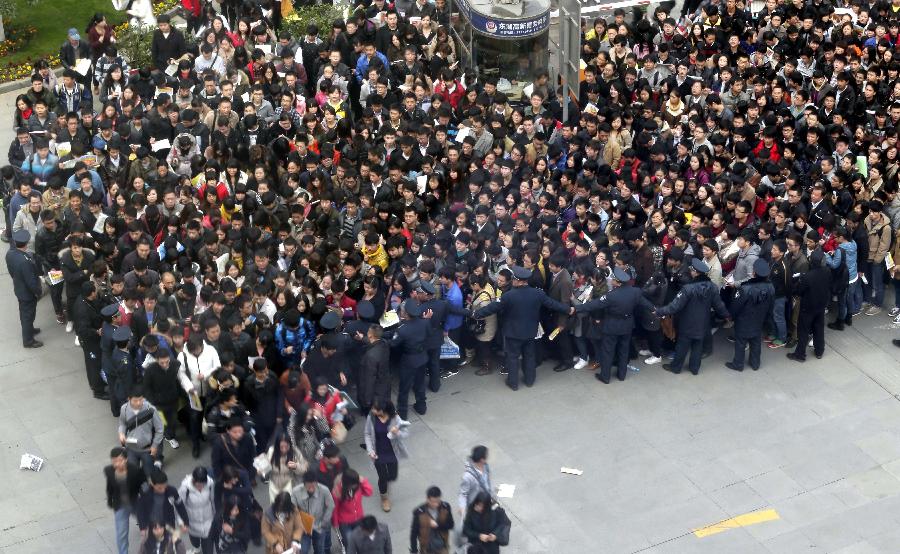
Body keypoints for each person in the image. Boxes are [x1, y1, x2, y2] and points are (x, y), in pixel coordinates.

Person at [472, 266, 570, 390]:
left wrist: (477, 314)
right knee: (529, 356)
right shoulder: (538, 294)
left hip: (513, 333)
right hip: (530, 332)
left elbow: (492, 308)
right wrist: (568, 309)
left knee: (512, 358)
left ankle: (513, 383)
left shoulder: (508, 296)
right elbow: (553, 304)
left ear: (518, 280)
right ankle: (529, 380)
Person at [573, 266, 653, 383]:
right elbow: (646, 303)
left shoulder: (611, 295)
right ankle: (622, 375)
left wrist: (576, 308)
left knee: (608, 352)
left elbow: (594, 304)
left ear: (618, 282)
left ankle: (605, 377)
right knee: (623, 351)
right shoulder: (635, 291)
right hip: (627, 326)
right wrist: (655, 310)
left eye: (613, 279)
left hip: (612, 326)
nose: (611, 280)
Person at [657, 259, 730, 375]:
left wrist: (659, 312)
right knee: (698, 345)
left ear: (695, 272)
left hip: (687, 323)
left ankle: (676, 367)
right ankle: (694, 368)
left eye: (692, 270)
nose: (690, 271)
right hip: (703, 323)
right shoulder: (712, 287)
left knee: (682, 345)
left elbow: (674, 307)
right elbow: (719, 305)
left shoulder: (688, 288)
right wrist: (727, 315)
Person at [727, 258, 775, 371]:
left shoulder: (744, 289)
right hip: (759, 319)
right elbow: (771, 306)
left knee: (740, 342)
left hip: (743, 320)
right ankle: (755, 363)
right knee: (756, 341)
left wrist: (731, 317)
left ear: (754, 273)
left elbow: (735, 306)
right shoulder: (771, 287)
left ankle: (738, 364)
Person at [363, 399, 410, 512]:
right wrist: (370, 450)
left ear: (383, 411)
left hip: (392, 452)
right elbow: (367, 434)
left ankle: (384, 484)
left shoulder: (395, 418)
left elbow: (405, 433)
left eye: (375, 409)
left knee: (393, 476)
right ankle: (384, 498)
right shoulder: (372, 417)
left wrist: (397, 432)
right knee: (383, 477)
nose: (372, 410)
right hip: (378, 453)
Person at [787, 250, 833, 362]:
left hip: (807, 307)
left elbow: (799, 291)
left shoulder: (807, 276)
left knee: (803, 331)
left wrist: (797, 283)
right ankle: (819, 351)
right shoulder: (827, 271)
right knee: (819, 328)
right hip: (821, 305)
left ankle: (800, 354)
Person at [387, 298, 429, 419]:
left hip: (409, 361)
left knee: (404, 388)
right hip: (422, 357)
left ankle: (402, 413)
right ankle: (421, 407)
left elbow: (393, 344)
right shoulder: (424, 322)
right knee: (420, 384)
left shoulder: (403, 330)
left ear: (406, 314)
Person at [6, 229, 43, 348]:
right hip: (27, 294)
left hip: (19, 289)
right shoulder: (25, 261)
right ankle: (28, 340)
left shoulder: (10, 254)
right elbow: (31, 282)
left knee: (25, 314)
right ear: (27, 243)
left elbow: (11, 272)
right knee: (28, 315)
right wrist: (38, 292)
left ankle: (30, 329)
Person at [104, 446, 144, 554]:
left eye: (120, 460)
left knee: (147, 524)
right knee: (121, 533)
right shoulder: (109, 471)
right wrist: (109, 499)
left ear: (126, 459)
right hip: (120, 505)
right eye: (114, 461)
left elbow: (143, 485)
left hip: (135, 501)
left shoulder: (135, 470)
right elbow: (110, 486)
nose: (117, 464)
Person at [117, 384, 164, 476]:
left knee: (148, 475)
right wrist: (121, 433)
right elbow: (122, 423)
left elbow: (160, 429)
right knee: (133, 473)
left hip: (147, 449)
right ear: (129, 399)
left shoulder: (150, 409)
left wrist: (154, 446)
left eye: (141, 399)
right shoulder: (124, 409)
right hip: (130, 447)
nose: (139, 403)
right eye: (135, 400)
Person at [135, 469, 190, 538]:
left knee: (170, 544)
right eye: (159, 488)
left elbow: (180, 506)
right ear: (152, 484)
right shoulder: (144, 493)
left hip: (169, 524)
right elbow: (140, 510)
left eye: (165, 486)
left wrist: (186, 522)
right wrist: (142, 527)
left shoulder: (172, 491)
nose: (163, 490)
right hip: (152, 526)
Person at [292, 470, 335, 554]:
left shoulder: (324, 490)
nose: (311, 489)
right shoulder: (296, 491)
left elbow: (330, 506)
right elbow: (292, 508)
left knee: (319, 550)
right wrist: (298, 523)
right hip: (303, 526)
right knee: (303, 550)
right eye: (309, 486)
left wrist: (323, 523)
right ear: (304, 484)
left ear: (316, 483)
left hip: (319, 525)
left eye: (314, 486)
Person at [178, 466, 217, 554]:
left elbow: (213, 499)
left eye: (203, 484)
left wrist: (216, 515)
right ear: (193, 481)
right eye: (198, 485)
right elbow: (179, 506)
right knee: (195, 542)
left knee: (208, 549)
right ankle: (196, 548)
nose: (201, 487)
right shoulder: (185, 489)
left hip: (208, 521)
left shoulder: (210, 484)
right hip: (192, 523)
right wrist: (181, 522)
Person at [331, 467, 373, 547]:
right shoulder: (337, 492)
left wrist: (363, 481)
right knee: (349, 542)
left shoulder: (358, 486)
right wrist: (335, 523)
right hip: (345, 522)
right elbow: (335, 509)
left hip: (359, 518)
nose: (355, 486)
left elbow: (369, 492)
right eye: (353, 484)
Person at [410, 486, 454, 554]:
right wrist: (414, 550)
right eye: (433, 502)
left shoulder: (445, 507)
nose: (436, 504)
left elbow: (451, 525)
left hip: (442, 547)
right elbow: (414, 533)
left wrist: (437, 525)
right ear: (427, 499)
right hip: (426, 549)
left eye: (438, 501)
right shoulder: (419, 512)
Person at [266, 428, 307, 503]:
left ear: (290, 445)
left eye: (286, 447)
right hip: (274, 483)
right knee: (274, 505)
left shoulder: (295, 451)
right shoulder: (271, 451)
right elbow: (265, 467)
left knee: (289, 505)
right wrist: (261, 469)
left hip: (289, 482)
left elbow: (304, 468)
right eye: (281, 447)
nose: (284, 450)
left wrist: (296, 466)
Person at [211, 417, 257, 483]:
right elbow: (216, 463)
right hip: (231, 474)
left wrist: (252, 472)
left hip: (245, 470)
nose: (238, 434)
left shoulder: (248, 438)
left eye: (240, 431)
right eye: (235, 432)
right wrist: (220, 479)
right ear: (228, 430)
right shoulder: (219, 443)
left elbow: (253, 454)